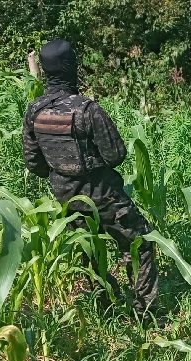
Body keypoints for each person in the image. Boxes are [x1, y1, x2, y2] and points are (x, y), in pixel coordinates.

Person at [22, 39, 159, 324]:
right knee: (140, 243)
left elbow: (34, 164)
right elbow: (116, 154)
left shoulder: (35, 111)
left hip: (65, 198)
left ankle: (103, 305)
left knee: (88, 247)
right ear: (72, 68)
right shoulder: (87, 109)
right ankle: (144, 314)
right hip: (104, 195)